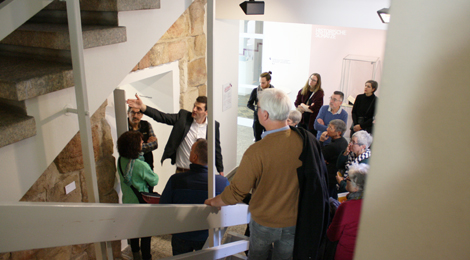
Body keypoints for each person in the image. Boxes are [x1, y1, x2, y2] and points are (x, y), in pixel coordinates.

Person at [205, 89, 329, 260]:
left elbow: (236, 192)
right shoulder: (306, 140)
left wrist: (213, 201)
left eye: (258, 108)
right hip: (294, 221)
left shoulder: (256, 151)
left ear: (264, 115)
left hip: (263, 222)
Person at [160, 139, 229, 255]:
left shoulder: (176, 180)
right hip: (209, 236)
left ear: (195, 157)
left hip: (181, 234)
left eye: (191, 150)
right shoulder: (223, 183)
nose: (189, 152)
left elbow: (163, 207)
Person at [127, 95, 224, 175]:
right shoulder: (183, 117)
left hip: (202, 172)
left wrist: (220, 170)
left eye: (198, 108)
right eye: (194, 106)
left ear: (206, 112)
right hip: (182, 171)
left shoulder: (213, 126)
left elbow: (216, 148)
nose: (194, 109)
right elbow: (162, 117)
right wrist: (143, 107)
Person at [117, 131, 159, 260]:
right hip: (142, 204)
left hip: (127, 202)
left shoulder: (121, 160)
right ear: (134, 146)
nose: (143, 144)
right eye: (141, 142)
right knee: (146, 233)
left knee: (133, 231)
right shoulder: (140, 165)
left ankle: (135, 254)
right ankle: (146, 257)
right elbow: (154, 180)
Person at [327, 163, 368, 260]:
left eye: (348, 179)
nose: (345, 180)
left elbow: (332, 235)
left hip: (346, 253)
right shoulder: (374, 203)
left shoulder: (347, 206)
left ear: (356, 187)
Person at [319, 119, 348, 199]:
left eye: (331, 128)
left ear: (338, 133)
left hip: (330, 176)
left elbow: (318, 155)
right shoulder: (343, 141)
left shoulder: (334, 146)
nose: (327, 129)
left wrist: (321, 141)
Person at [247, 71, 275, 141]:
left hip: (269, 119)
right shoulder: (255, 91)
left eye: (263, 83)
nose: (261, 85)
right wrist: (256, 108)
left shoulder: (274, 92)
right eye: (260, 82)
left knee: (268, 140)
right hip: (258, 119)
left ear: (269, 81)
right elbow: (249, 104)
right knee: (257, 139)